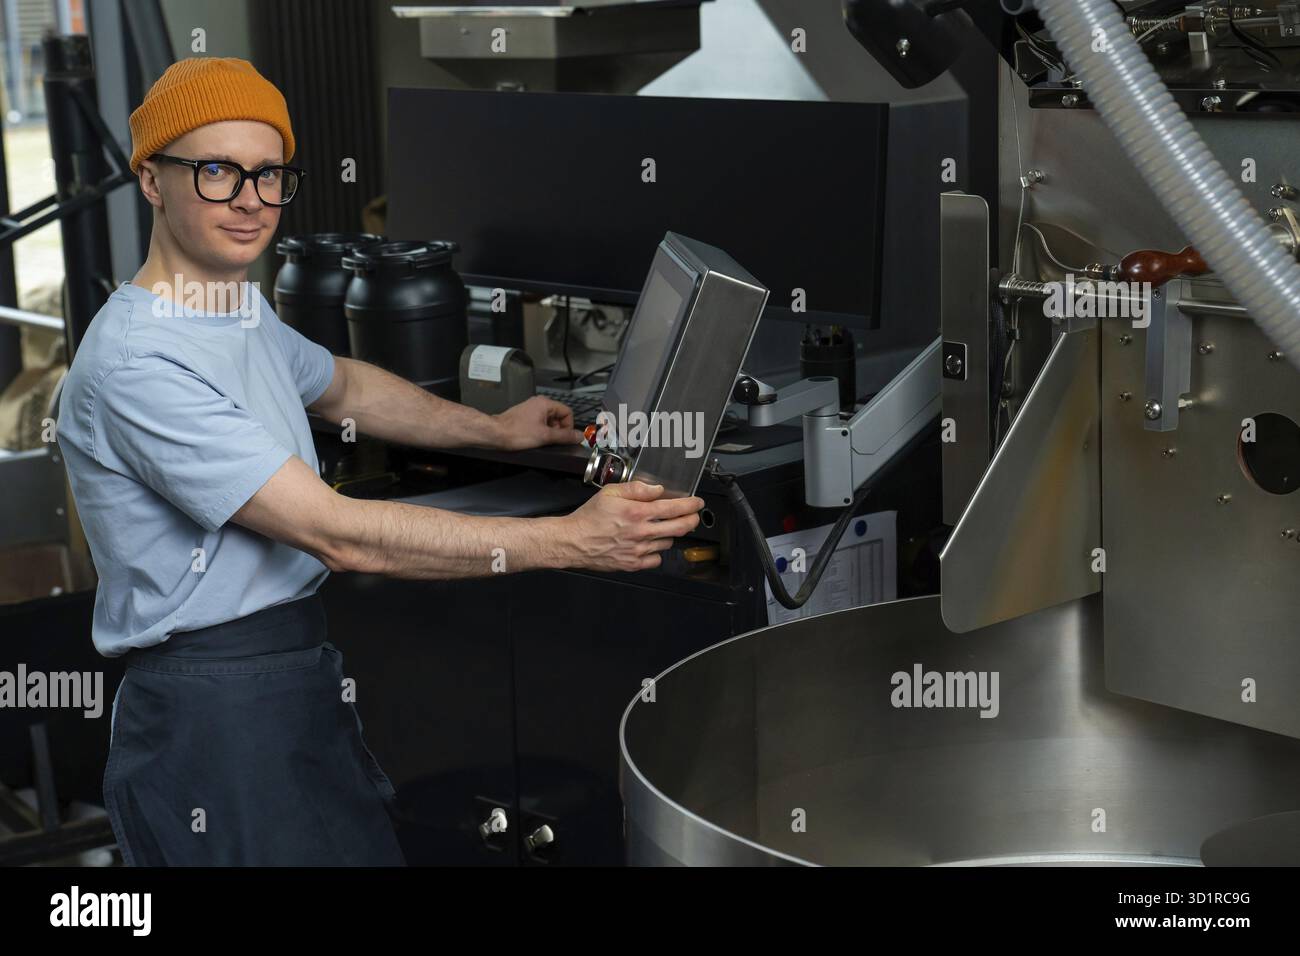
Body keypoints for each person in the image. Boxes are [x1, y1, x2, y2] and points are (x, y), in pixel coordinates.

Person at [55, 57, 702, 865]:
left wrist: (494, 431)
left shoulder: (228, 306)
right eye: (217, 172)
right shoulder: (138, 363)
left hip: (291, 676)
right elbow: (340, 535)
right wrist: (573, 541)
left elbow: (345, 385)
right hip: (214, 713)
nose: (251, 200)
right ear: (151, 179)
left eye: (268, 175)